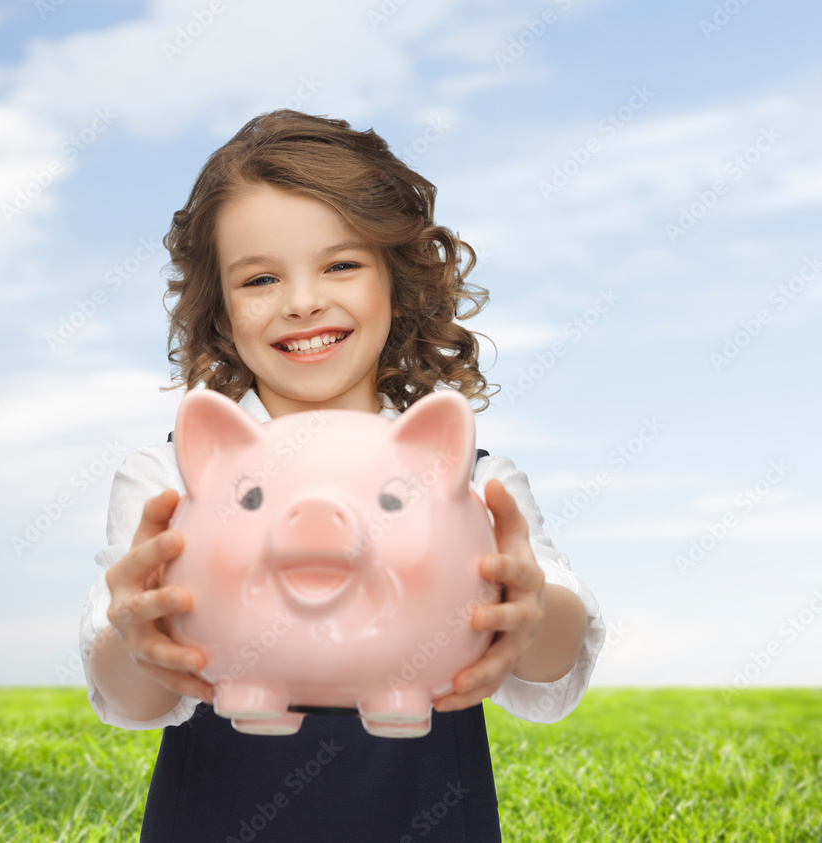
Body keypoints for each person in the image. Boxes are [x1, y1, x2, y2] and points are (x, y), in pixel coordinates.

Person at [79, 109, 605, 842]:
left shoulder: (470, 479)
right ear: (222, 312)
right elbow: (126, 693)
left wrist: (531, 609)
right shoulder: (172, 478)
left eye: (341, 264)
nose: (302, 300)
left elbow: (552, 662)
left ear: (400, 281)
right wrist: (134, 633)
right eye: (261, 277)